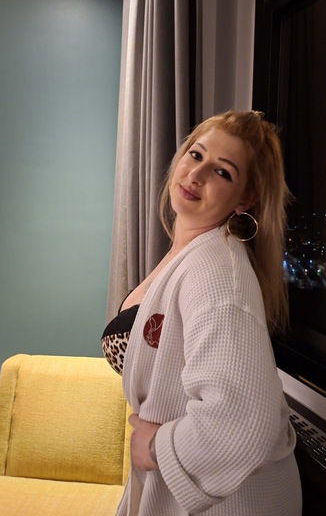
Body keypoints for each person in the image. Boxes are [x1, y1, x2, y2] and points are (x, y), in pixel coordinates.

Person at [102, 110, 302, 515]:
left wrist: (155, 446)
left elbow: (245, 422)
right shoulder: (189, 254)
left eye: (222, 172)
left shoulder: (218, 275)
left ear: (245, 199)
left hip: (230, 502)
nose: (196, 174)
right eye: (196, 155)